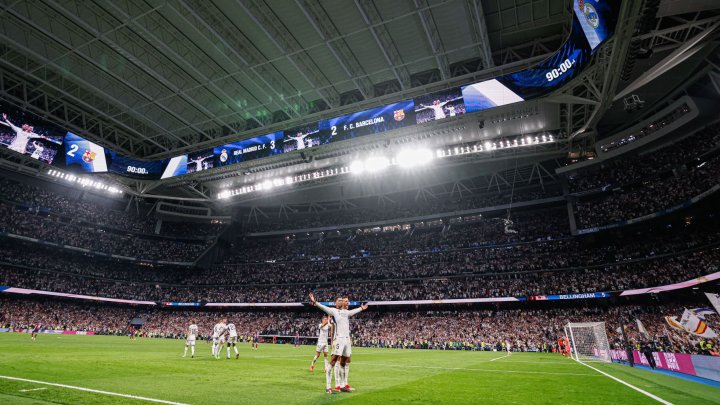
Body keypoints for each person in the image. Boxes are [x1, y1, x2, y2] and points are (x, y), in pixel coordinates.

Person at [309, 292, 368, 394]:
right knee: (333, 361)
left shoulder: (346, 312)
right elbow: (324, 308)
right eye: (339, 300)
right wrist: (315, 302)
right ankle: (328, 387)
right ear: (336, 302)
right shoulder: (333, 311)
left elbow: (353, 311)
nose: (341, 301)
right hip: (339, 339)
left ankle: (341, 385)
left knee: (343, 362)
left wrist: (361, 308)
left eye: (342, 300)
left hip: (346, 340)